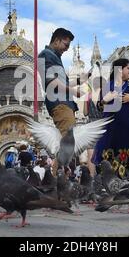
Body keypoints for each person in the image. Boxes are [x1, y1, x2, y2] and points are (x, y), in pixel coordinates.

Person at [38, 28, 85, 176]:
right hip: (61, 104)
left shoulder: (53, 57)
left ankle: (58, 183)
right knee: (67, 144)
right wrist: (73, 92)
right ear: (57, 40)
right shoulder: (46, 55)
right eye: (65, 45)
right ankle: (57, 183)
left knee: (66, 144)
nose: (66, 49)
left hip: (63, 104)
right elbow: (52, 82)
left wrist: (79, 81)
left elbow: (61, 81)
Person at [92, 58, 129, 178]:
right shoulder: (108, 86)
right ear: (119, 70)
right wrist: (104, 100)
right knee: (111, 161)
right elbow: (99, 107)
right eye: (128, 68)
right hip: (112, 132)